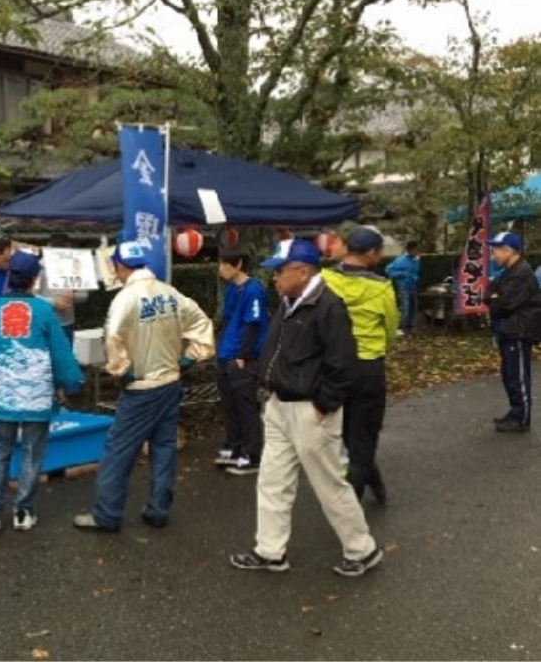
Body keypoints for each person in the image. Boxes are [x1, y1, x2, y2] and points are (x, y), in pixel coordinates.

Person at [230, 239, 383, 577]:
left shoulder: (328, 306)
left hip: (309, 409)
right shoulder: (290, 301)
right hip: (279, 405)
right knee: (272, 480)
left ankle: (362, 549)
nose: (274, 278)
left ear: (301, 272)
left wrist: (323, 405)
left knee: (329, 484)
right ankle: (270, 551)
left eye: (279, 271)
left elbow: (343, 364)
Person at [73, 240, 215, 531]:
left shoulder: (125, 299)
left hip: (140, 389)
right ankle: (158, 510)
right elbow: (203, 326)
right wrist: (188, 360)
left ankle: (106, 515)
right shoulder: (170, 293)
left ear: (119, 266)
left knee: (118, 451)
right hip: (171, 383)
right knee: (163, 448)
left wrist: (122, 372)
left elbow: (111, 339)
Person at [0, 251, 84, 532]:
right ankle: (23, 511)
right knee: (32, 454)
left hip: (1, 394)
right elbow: (60, 351)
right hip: (36, 394)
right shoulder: (44, 310)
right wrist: (72, 381)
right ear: (34, 280)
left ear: (9, 277)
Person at [322, 226, 398, 505]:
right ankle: (348, 510)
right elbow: (391, 328)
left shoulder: (324, 280)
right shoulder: (382, 289)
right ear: (370, 253)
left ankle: (375, 484)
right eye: (379, 252)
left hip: (333, 367)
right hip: (368, 367)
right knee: (363, 437)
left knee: (346, 433)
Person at [214, 246, 269, 476]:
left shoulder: (254, 290)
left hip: (243, 357)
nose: (221, 269)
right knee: (230, 404)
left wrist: (243, 356)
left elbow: (253, 324)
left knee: (246, 406)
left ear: (238, 265)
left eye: (226, 264)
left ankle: (252, 453)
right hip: (226, 353)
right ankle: (235, 445)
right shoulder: (231, 289)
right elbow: (226, 319)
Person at [485, 232, 541, 434]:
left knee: (517, 375)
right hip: (508, 330)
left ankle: (522, 418)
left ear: (508, 250)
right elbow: (489, 292)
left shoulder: (521, 273)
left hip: (518, 331)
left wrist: (494, 299)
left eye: (496, 251)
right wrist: (493, 297)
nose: (493, 255)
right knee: (509, 375)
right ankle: (515, 410)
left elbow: (504, 305)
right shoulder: (508, 271)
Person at [36, 233, 88, 343]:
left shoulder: (76, 266)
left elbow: (84, 295)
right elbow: (31, 296)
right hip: (45, 322)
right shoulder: (39, 267)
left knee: (66, 358)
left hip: (67, 323)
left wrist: (73, 296)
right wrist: (53, 302)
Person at [385, 240, 421, 335]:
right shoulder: (400, 260)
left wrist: (415, 278)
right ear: (410, 250)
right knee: (405, 306)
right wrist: (401, 274)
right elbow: (388, 269)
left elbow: (415, 272)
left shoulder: (415, 260)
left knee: (413, 307)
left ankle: (411, 326)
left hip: (413, 286)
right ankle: (401, 327)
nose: (417, 252)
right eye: (415, 250)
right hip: (403, 286)